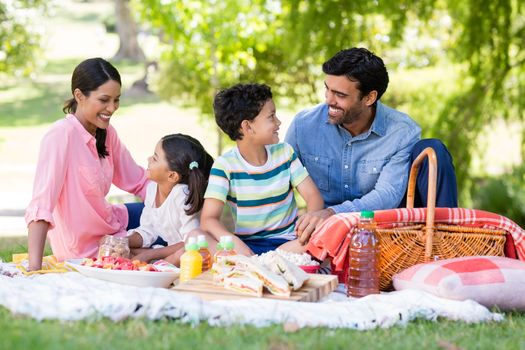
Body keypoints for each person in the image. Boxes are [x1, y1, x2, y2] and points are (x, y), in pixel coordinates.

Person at [285, 47, 458, 239]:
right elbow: (277, 178)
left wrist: (332, 213)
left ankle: (445, 243)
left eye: (340, 95)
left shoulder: (401, 131)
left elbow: (387, 194)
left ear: (369, 98)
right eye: (327, 89)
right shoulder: (303, 126)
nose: (328, 100)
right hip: (325, 233)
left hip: (383, 228)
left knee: (434, 149)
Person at [25, 58, 149, 270]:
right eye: (104, 100)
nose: (112, 108)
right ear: (79, 96)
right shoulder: (60, 136)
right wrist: (34, 269)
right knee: (169, 243)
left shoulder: (107, 133)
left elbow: (139, 181)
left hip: (111, 225)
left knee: (170, 220)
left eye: (116, 100)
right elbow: (41, 206)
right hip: (84, 250)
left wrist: (180, 200)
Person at [201, 83, 324, 256]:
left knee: (328, 234)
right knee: (197, 236)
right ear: (247, 127)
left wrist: (307, 229)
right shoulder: (225, 166)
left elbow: (313, 196)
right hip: (246, 247)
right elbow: (208, 220)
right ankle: (257, 263)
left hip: (290, 244)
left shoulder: (285, 153)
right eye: (271, 116)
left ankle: (265, 263)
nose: (278, 122)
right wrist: (237, 244)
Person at [127, 133, 214, 265]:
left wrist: (150, 254)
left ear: (172, 176)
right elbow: (147, 230)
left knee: (181, 254)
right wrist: (122, 241)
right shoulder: (152, 189)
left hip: (190, 251)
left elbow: (191, 242)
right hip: (169, 251)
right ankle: (156, 263)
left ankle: (158, 266)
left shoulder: (182, 195)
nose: (148, 159)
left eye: (155, 158)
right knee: (125, 249)